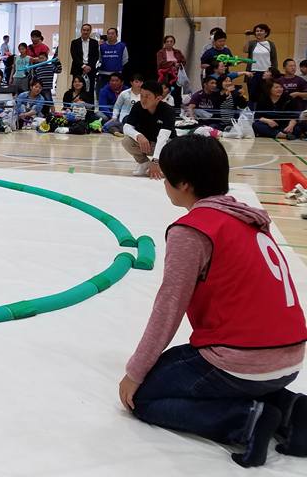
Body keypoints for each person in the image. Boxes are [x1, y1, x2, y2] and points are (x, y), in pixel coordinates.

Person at [120, 135, 307, 467]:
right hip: (292, 355)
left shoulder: (192, 230)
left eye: (166, 178)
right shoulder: (249, 219)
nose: (164, 184)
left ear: (184, 184)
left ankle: (246, 420)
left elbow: (169, 307)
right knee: (178, 370)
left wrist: (134, 372)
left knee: (143, 397)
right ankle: (293, 409)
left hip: (240, 359)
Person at [121, 80, 176, 177]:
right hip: (146, 144)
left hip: (166, 146)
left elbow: (163, 137)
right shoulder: (137, 107)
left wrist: (155, 161)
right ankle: (144, 163)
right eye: (141, 96)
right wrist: (138, 136)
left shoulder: (168, 111)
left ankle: (163, 165)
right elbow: (127, 127)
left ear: (158, 98)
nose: (143, 100)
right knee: (127, 141)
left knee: (174, 150)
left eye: (147, 96)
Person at [246, 23, 278, 108]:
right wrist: (248, 37)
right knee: (252, 96)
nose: (259, 32)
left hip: (266, 74)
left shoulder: (270, 44)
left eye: (261, 31)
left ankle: (264, 113)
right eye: (257, 31)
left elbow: (274, 59)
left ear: (266, 33)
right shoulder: (252, 43)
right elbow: (245, 50)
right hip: (253, 73)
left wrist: (273, 73)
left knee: (265, 95)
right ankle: (252, 114)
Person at [156, 35, 187, 107]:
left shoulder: (177, 52)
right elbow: (160, 64)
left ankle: (177, 109)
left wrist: (179, 64)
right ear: (164, 43)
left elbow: (184, 61)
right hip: (165, 76)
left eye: (171, 41)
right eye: (167, 41)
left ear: (173, 43)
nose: (169, 43)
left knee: (177, 93)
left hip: (176, 76)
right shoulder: (160, 52)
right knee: (164, 93)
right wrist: (173, 63)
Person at [70, 23, 99, 95]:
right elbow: (74, 56)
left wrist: (89, 66)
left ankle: (89, 103)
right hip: (78, 68)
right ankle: (75, 102)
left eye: (87, 30)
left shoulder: (95, 43)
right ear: (81, 31)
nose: (85, 32)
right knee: (76, 89)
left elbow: (96, 56)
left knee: (90, 89)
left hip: (90, 69)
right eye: (84, 30)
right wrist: (83, 66)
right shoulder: (74, 42)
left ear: (90, 31)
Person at [98, 27, 128, 94]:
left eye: (112, 33)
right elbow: (99, 59)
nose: (110, 35)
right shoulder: (101, 46)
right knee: (103, 93)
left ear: (117, 35)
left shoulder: (122, 46)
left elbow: (125, 59)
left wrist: (116, 66)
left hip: (117, 75)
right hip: (103, 74)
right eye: (108, 34)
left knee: (116, 94)